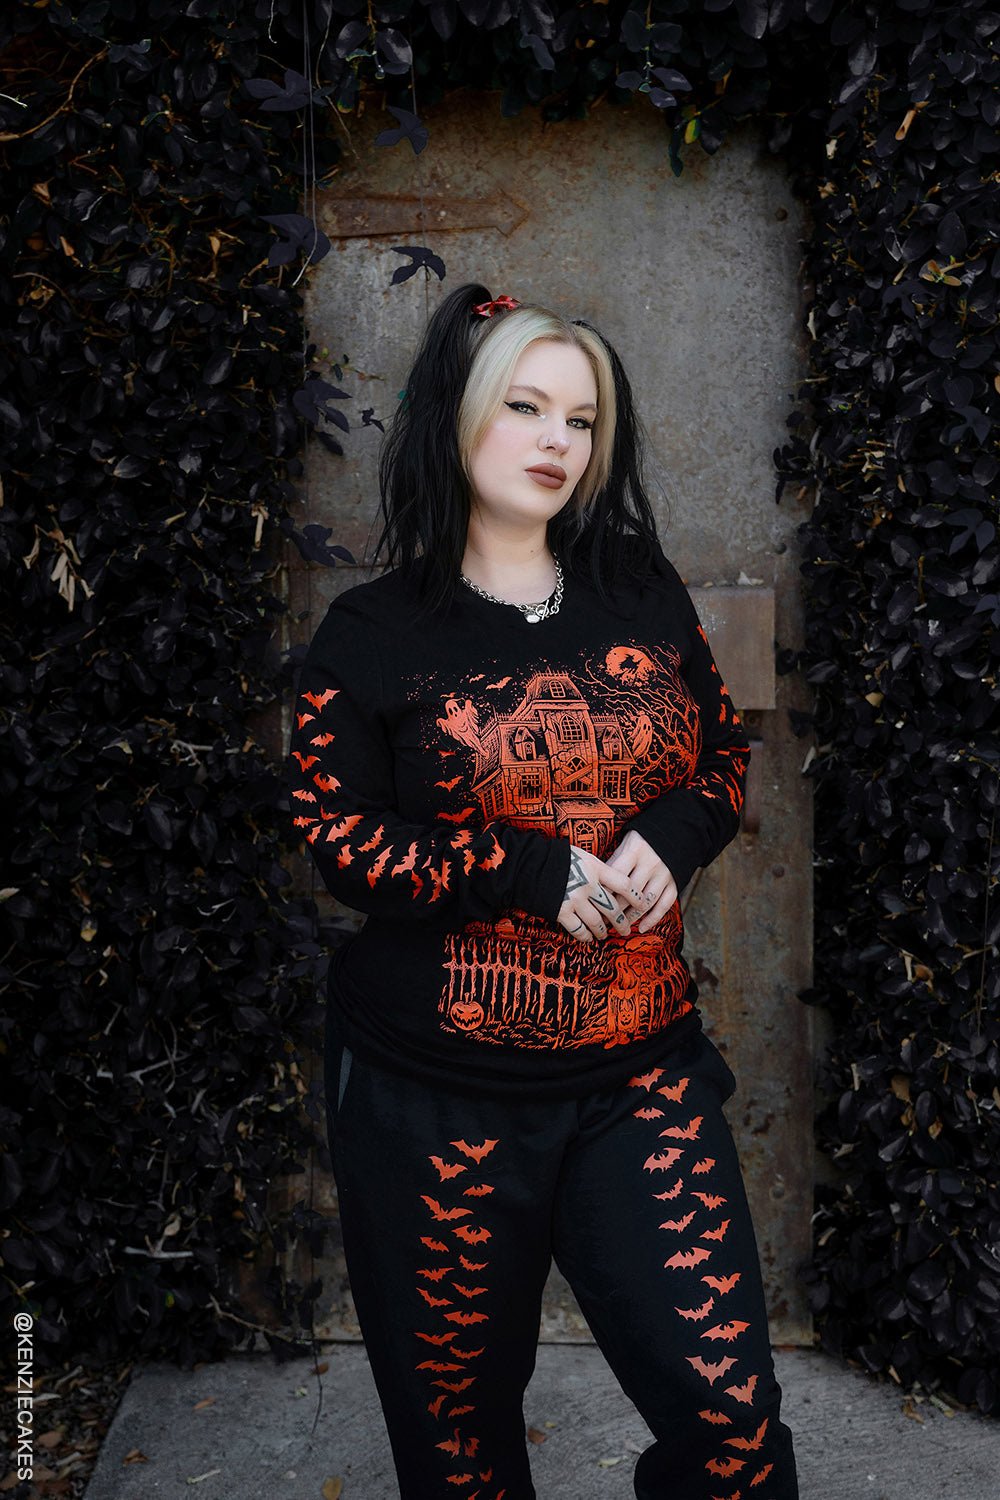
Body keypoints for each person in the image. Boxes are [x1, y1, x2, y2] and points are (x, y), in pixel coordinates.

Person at [288, 283, 799, 1499]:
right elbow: (338, 840)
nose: (556, 441)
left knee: (733, 1433)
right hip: (431, 1103)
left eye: (580, 418)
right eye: (524, 407)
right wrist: (523, 867)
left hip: (638, 1078)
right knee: (462, 1459)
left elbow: (721, 754)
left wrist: (674, 835)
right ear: (456, 418)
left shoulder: (638, 586)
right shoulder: (370, 634)